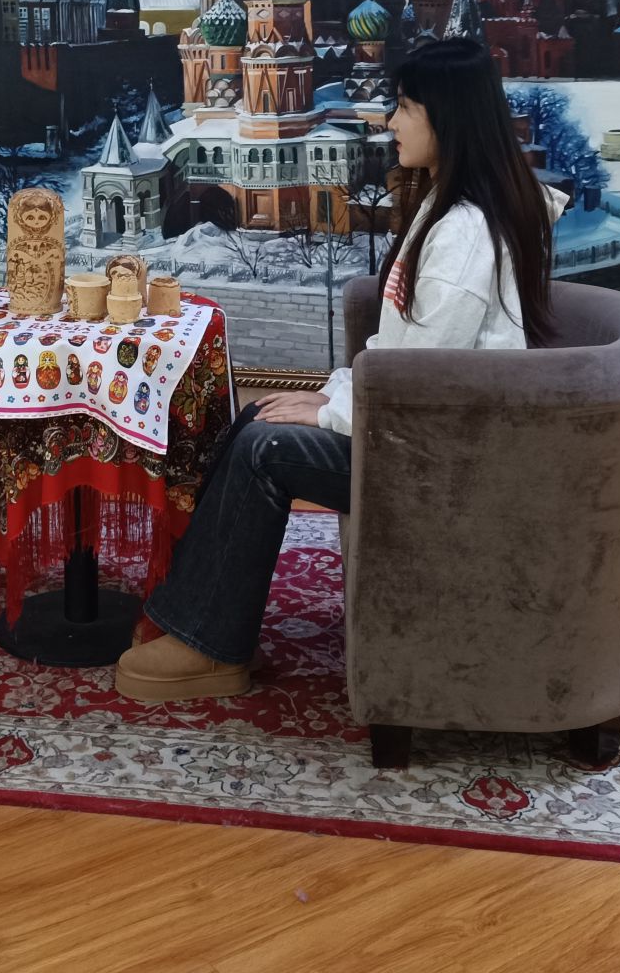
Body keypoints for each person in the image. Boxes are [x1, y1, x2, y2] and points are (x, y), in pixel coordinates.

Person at [112, 37, 568, 702]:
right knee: (257, 418)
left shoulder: (464, 232)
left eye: (404, 107)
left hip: (440, 455)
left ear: (446, 117)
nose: (390, 121)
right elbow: (402, 352)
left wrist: (331, 412)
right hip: (421, 430)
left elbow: (422, 380)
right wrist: (332, 399)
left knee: (265, 448)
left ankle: (210, 647)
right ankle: (196, 613)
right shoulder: (450, 204)